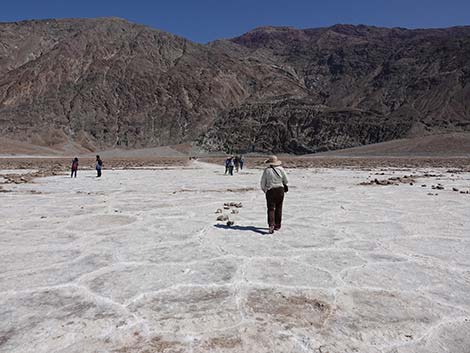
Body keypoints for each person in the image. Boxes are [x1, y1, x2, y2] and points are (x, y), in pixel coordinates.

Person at [260, 155, 288, 234]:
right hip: (280, 190)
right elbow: (286, 180)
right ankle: (277, 225)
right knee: (279, 207)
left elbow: (263, 182)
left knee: (271, 208)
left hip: (270, 190)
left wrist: (264, 189)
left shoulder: (267, 171)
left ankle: (271, 225)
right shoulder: (281, 169)